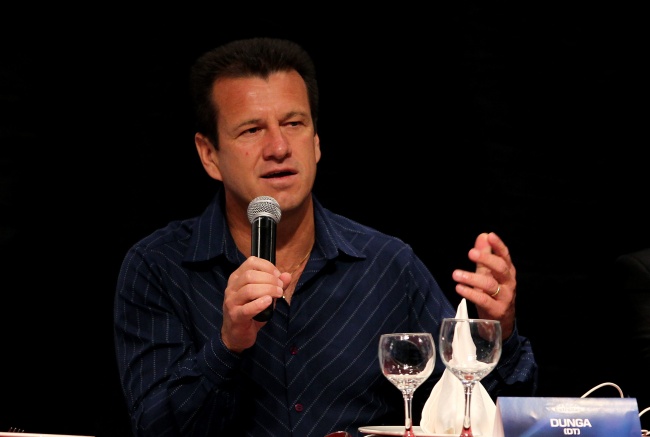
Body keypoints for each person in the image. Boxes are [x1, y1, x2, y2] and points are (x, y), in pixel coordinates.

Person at [113, 36, 538, 437]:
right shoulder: (158, 268)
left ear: (316, 142)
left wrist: (497, 334)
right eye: (252, 130)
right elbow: (152, 428)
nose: (279, 147)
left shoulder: (387, 265)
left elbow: (480, 416)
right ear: (209, 155)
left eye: (293, 123)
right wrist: (227, 345)